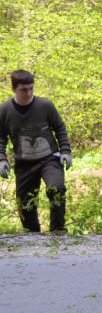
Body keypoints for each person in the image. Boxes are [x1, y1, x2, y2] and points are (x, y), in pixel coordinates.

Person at [0, 70, 72, 233]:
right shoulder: (4, 110)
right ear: (14, 89)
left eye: (31, 88)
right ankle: (33, 237)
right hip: (23, 162)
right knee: (25, 204)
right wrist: (2, 159)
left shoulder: (45, 105)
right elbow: (1, 138)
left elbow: (59, 128)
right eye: (23, 90)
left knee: (57, 188)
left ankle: (58, 230)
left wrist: (65, 151)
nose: (28, 93)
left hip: (50, 158)